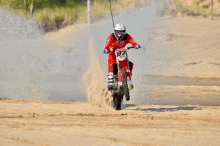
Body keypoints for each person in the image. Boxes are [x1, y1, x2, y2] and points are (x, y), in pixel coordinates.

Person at [103, 23, 141, 90]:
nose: (120, 35)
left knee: (129, 64)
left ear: (125, 32)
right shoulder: (111, 37)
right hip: (113, 53)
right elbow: (107, 44)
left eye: (122, 33)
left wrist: (136, 45)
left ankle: (128, 76)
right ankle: (110, 82)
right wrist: (106, 49)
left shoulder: (127, 36)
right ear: (115, 32)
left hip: (122, 52)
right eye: (118, 33)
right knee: (111, 65)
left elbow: (132, 41)